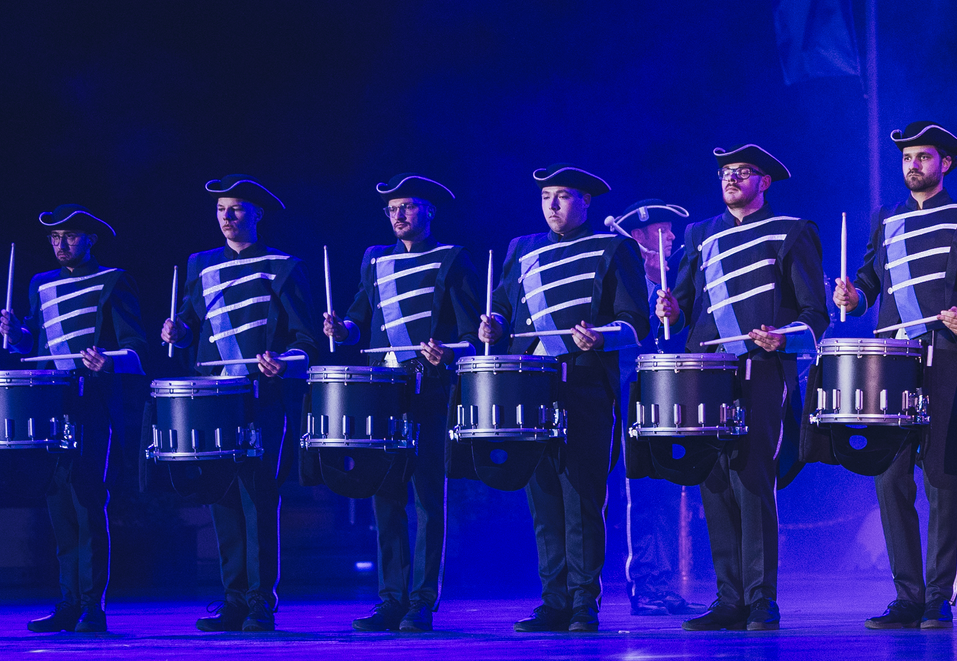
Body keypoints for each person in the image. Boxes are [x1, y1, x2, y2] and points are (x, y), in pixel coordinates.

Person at [653, 144, 828, 633]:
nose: (731, 179)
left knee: (753, 480)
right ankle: (728, 598)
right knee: (712, 481)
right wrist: (669, 310)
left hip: (760, 370)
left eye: (742, 171)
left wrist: (782, 337)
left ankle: (761, 599)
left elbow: (815, 313)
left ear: (765, 181)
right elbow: (684, 306)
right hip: (704, 371)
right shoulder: (700, 234)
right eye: (725, 172)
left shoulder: (792, 231)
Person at [830, 121, 957, 630]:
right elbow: (866, 285)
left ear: (946, 164)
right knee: (890, 478)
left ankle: (939, 594)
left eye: (924, 157)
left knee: (943, 478)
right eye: (907, 159)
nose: (913, 166)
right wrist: (852, 298)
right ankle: (907, 594)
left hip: (946, 358)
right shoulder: (886, 220)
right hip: (890, 362)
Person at [479, 166, 649, 633]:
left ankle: (583, 601)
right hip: (529, 387)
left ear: (586, 202)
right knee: (543, 499)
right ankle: (553, 599)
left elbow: (637, 322)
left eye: (563, 197)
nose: (553, 206)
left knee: (582, 497)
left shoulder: (616, 248)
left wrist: (602, 335)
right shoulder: (521, 250)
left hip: (584, 386)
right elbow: (502, 310)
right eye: (547, 197)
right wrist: (491, 324)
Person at [159, 175, 320, 633]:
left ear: (257, 215)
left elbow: (305, 340)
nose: (226, 217)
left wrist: (284, 362)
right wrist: (178, 332)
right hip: (212, 398)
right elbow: (190, 326)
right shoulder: (200, 265)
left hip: (261, 396)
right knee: (220, 496)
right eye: (221, 210)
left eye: (236, 209)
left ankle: (260, 602)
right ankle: (232, 600)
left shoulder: (284, 266)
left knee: (257, 498)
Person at [324, 175, 481, 634]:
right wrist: (342, 331)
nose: (398, 216)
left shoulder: (452, 259)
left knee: (428, 498)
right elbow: (358, 318)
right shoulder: (374, 260)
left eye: (408, 207)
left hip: (428, 388)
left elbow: (472, 335)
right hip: (381, 390)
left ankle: (422, 601)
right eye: (392, 209)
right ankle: (391, 599)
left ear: (429, 212)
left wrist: (450, 351)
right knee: (383, 494)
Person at [0, 204, 143, 634]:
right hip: (50, 407)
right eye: (54, 238)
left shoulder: (113, 281)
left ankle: (92, 607)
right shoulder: (40, 284)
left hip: (92, 405)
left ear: (90, 239)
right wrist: (15, 333)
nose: (61, 245)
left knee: (87, 504)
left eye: (71, 237)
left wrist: (107, 363)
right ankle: (67, 602)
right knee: (58, 506)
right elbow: (34, 342)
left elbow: (137, 348)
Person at [606, 199, 701, 617]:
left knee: (662, 491)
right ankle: (644, 584)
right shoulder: (619, 281)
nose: (672, 239)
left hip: (667, 394)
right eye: (662, 232)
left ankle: (659, 583)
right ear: (639, 238)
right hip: (626, 395)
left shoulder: (678, 280)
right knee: (639, 492)